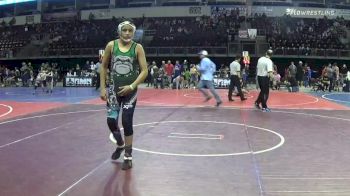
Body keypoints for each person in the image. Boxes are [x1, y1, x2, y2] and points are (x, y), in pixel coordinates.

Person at [100, 20, 148, 170]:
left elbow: (144, 71)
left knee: (127, 121)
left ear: (133, 32)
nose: (127, 33)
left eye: (130, 31)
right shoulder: (111, 45)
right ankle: (120, 144)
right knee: (111, 121)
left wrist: (132, 86)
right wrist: (102, 88)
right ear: (119, 31)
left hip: (130, 92)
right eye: (124, 30)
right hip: (114, 90)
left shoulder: (137, 47)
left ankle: (128, 156)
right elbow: (103, 66)